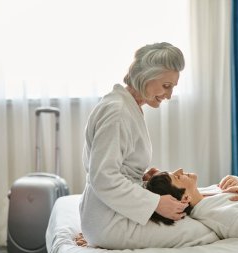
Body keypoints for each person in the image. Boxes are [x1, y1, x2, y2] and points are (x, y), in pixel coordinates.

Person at [79, 42, 189, 249]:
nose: (169, 95)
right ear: (145, 77)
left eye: (173, 87)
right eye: (166, 86)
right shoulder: (118, 112)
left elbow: (113, 165)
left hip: (106, 214)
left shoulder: (126, 105)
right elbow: (102, 176)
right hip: (109, 222)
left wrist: (143, 175)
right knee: (204, 230)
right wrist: (156, 203)